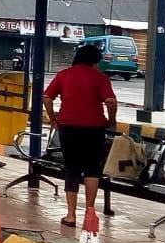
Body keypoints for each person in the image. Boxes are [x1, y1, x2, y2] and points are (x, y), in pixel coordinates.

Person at [43, 43, 118, 228]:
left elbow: (46, 97)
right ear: (94, 61)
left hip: (68, 127)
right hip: (94, 128)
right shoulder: (100, 78)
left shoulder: (64, 75)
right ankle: (89, 212)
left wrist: (53, 118)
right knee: (92, 169)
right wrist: (111, 120)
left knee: (72, 168)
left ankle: (70, 215)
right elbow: (110, 101)